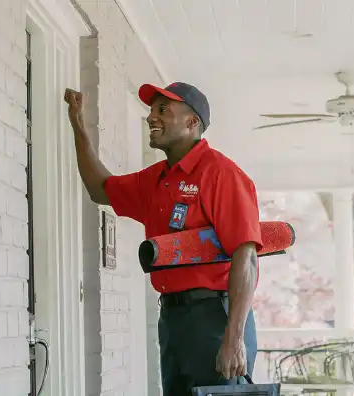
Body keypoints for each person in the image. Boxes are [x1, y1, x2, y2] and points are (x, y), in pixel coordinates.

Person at [64, 82, 263, 396]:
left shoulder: (222, 174)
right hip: (173, 318)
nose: (150, 118)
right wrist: (78, 128)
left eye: (162, 110)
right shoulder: (156, 179)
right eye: (151, 110)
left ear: (191, 122)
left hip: (216, 317)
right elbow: (100, 188)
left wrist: (234, 337)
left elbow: (247, 257)